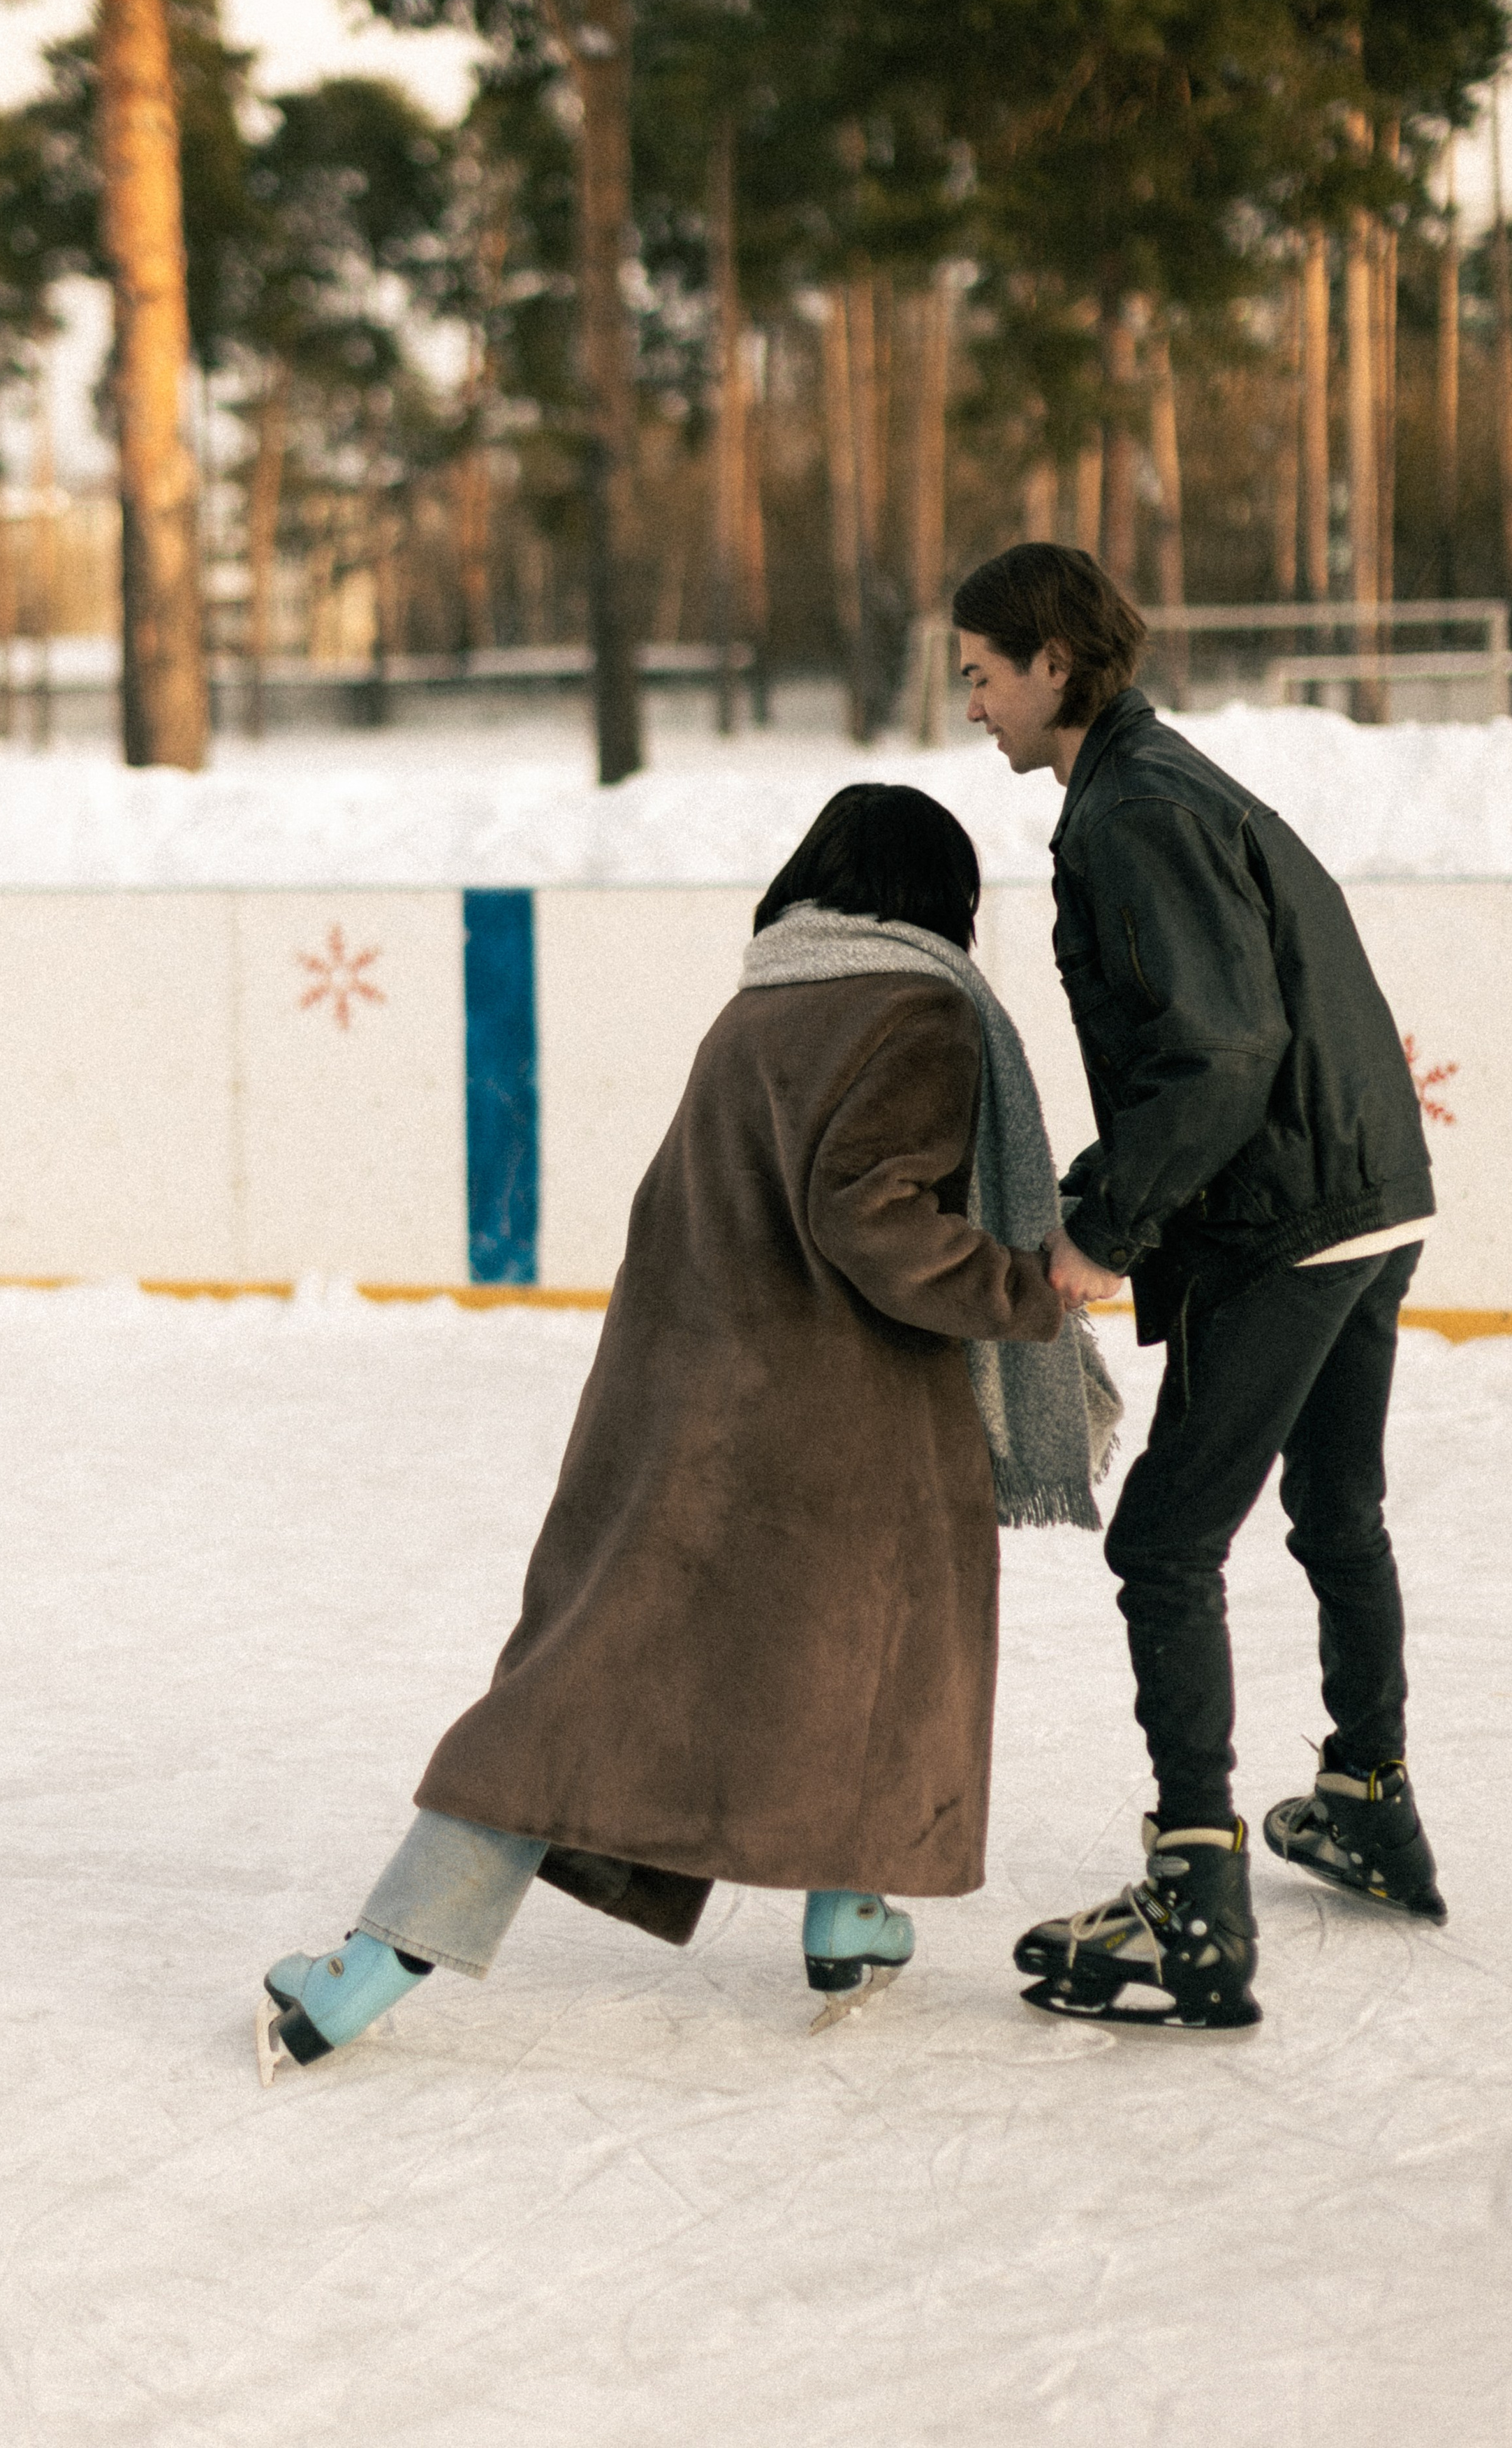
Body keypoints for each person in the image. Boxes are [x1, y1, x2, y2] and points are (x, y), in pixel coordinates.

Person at [256, 784, 1118, 2081]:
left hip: (686, 1403)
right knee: (766, 1672)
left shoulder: (765, 998)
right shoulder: (921, 1009)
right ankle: (370, 1969)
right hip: (838, 1427)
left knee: (617, 1682)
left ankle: (847, 1916)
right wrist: (1027, 1287)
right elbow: (870, 1213)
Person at [952, 541, 1444, 2036]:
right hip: (1367, 1194)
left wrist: (1105, 1230)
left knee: (1165, 1541)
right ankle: (1366, 1798)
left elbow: (1220, 1053)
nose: (971, 706)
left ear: (1052, 664)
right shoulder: (1165, 781)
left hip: (1284, 1216)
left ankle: (1193, 1904)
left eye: (981, 674)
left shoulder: (1135, 813)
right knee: (1335, 1509)